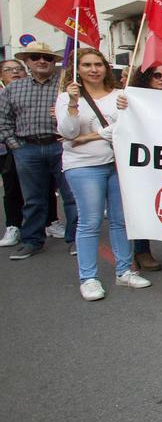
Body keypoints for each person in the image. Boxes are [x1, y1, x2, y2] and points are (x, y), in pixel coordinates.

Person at [57, 48, 150, 300]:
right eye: (87, 65)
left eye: (98, 64)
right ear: (78, 69)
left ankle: (124, 271)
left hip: (117, 165)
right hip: (83, 166)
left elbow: (126, 129)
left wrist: (88, 136)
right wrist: (74, 105)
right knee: (90, 222)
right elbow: (67, 133)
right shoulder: (67, 98)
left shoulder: (120, 95)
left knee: (120, 220)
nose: (93, 69)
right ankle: (88, 278)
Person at [0, 42, 78, 260]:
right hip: (28, 148)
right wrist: (17, 147)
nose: (42, 61)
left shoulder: (66, 87)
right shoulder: (14, 89)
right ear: (27, 62)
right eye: (35, 57)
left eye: (48, 58)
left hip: (61, 146)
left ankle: (75, 239)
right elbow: (3, 121)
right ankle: (32, 241)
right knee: (33, 198)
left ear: (54, 62)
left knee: (71, 196)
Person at [126, 63, 162, 270]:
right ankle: (142, 251)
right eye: (156, 75)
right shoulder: (133, 101)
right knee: (143, 205)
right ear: (145, 78)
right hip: (144, 161)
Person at [0, 59, 28, 247]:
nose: (15, 72)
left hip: (31, 146)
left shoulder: (32, 92)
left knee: (43, 187)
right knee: (11, 187)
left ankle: (51, 221)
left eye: (19, 69)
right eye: (9, 70)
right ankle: (13, 226)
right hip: (7, 149)